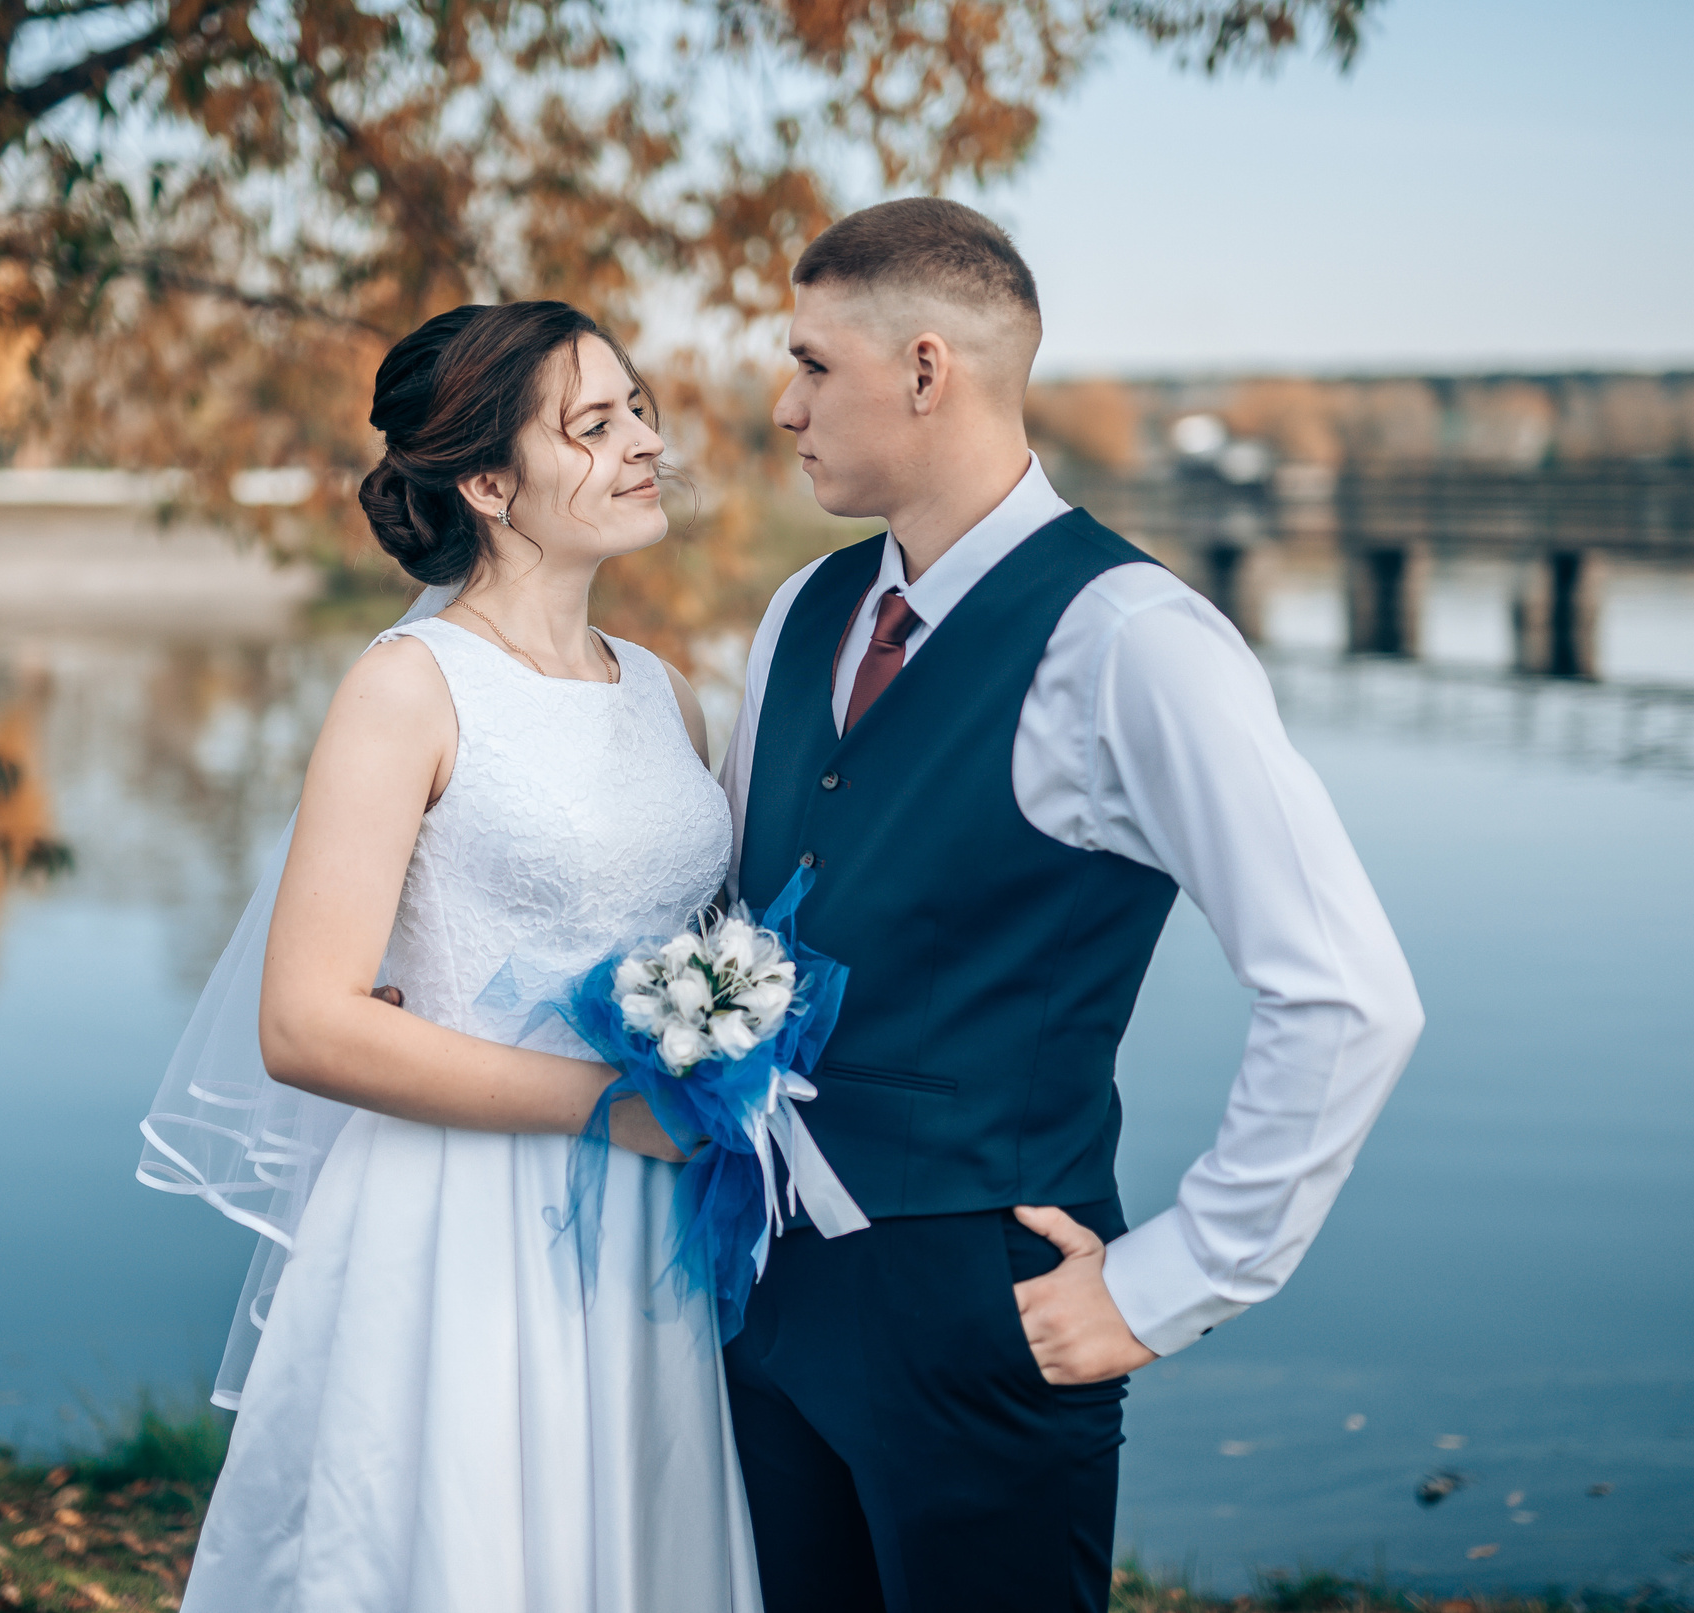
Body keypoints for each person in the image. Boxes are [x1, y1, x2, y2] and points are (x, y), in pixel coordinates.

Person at [718, 198, 1425, 1613]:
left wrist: (1171, 1282)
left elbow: (1348, 995)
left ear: (927, 370)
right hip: (764, 1291)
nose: (784, 408)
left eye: (812, 366)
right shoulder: (804, 610)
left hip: (990, 1310)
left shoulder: (1134, 642)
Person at [155, 302, 762, 1612]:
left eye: (637, 408)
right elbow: (306, 1023)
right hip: (463, 1219)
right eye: (592, 426)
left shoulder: (666, 693)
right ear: (488, 484)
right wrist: (613, 1108)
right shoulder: (409, 687)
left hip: (650, 1222)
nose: (644, 442)